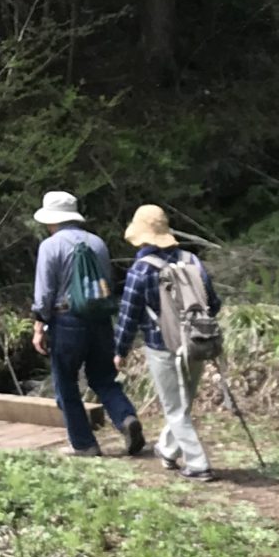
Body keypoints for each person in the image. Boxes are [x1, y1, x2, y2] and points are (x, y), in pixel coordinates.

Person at [30, 190, 144, 458]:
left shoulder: (51, 246)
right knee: (103, 377)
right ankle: (126, 417)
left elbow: (45, 292)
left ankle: (84, 444)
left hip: (66, 320)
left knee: (66, 383)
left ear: (51, 220)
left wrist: (39, 325)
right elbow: (106, 281)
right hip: (100, 319)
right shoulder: (97, 243)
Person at [113, 203, 215, 480]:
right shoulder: (192, 261)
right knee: (182, 404)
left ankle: (197, 463)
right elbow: (212, 303)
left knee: (174, 407)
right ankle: (168, 449)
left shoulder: (141, 270)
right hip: (198, 342)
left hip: (162, 347)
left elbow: (128, 315)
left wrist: (119, 350)